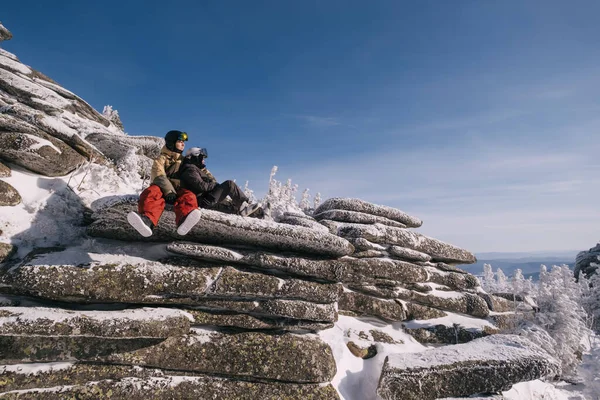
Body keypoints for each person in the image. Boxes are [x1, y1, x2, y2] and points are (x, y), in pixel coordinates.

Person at [127, 130, 203, 237]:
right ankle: (147, 220)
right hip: (162, 189)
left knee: (189, 195)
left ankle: (185, 219)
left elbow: (195, 172)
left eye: (183, 142)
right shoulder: (161, 158)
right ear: (172, 142)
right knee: (151, 192)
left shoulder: (185, 161)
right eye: (180, 141)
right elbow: (158, 174)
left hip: (178, 191)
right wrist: (169, 191)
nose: (183, 144)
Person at [176, 146, 263, 219]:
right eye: (202, 158)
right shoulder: (190, 169)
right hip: (204, 200)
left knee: (233, 207)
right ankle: (246, 205)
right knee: (229, 184)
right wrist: (215, 185)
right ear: (195, 157)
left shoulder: (195, 169)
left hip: (208, 199)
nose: (203, 160)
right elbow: (202, 186)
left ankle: (260, 214)